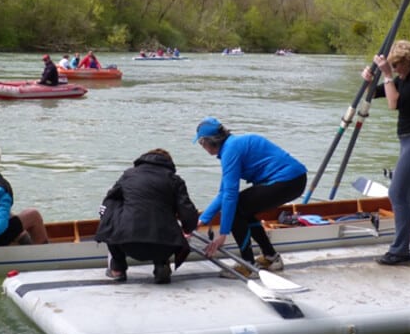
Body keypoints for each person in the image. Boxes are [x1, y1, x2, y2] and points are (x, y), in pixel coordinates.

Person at [195, 117, 307, 276]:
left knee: (236, 208)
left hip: (286, 180)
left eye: (201, 143)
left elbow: (230, 196)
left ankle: (248, 265)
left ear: (208, 141)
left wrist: (223, 233)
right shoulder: (232, 146)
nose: (202, 147)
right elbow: (224, 192)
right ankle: (271, 257)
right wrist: (203, 219)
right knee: (244, 210)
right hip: (295, 180)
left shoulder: (230, 151)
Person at [361, 40, 410, 266]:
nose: (395, 70)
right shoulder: (403, 79)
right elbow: (378, 93)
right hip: (409, 142)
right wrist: (369, 81)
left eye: (397, 65)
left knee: (396, 192)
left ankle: (399, 250)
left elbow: (394, 103)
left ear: (408, 62)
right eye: (392, 66)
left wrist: (385, 74)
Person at [95, 149, 199, 284]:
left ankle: (118, 269)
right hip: (165, 245)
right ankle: (161, 265)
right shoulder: (175, 180)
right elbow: (188, 212)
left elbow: (108, 201)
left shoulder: (128, 175)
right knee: (161, 216)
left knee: (111, 206)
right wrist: (187, 229)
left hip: (127, 243)